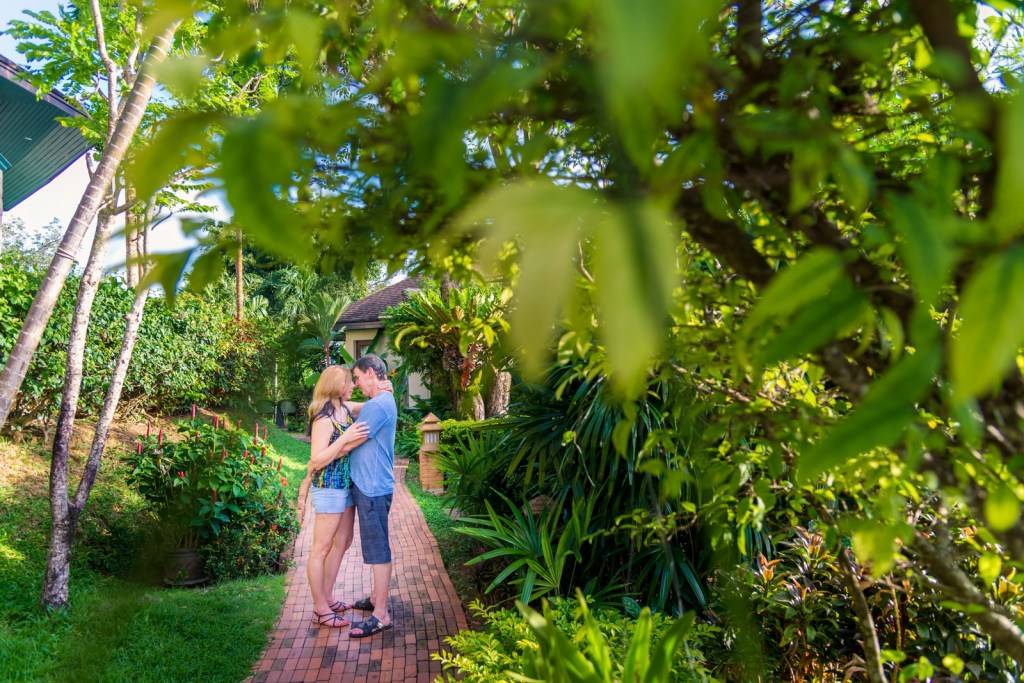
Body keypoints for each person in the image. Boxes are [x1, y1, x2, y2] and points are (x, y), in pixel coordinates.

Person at [304, 365, 371, 628]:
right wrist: (345, 440)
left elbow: (366, 406)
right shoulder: (323, 417)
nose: (353, 385)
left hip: (346, 485)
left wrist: (383, 390)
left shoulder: (344, 408)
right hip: (329, 486)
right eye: (349, 382)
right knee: (321, 548)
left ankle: (329, 598)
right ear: (337, 385)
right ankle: (320, 609)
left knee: (343, 540)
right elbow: (317, 460)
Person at [344, 354, 398, 638]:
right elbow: (358, 408)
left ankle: (381, 615)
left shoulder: (378, 405)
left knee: (378, 551)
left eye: (357, 378)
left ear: (370, 374)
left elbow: (351, 440)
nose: (356, 383)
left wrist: (319, 458)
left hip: (373, 487)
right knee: (375, 547)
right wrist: (338, 404)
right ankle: (377, 599)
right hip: (372, 485)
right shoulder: (379, 402)